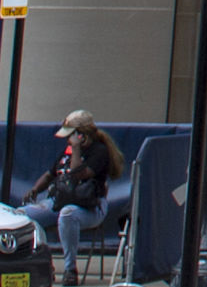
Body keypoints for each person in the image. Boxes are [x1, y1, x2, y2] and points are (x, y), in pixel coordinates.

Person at [20, 109, 131, 262]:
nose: (67, 141)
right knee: (22, 216)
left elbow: (76, 173)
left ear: (81, 135)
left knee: (67, 214)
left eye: (71, 136)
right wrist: (35, 190)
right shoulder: (67, 152)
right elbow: (49, 175)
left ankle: (70, 268)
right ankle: (43, 261)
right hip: (59, 201)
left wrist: (77, 148)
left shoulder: (99, 152)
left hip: (88, 205)